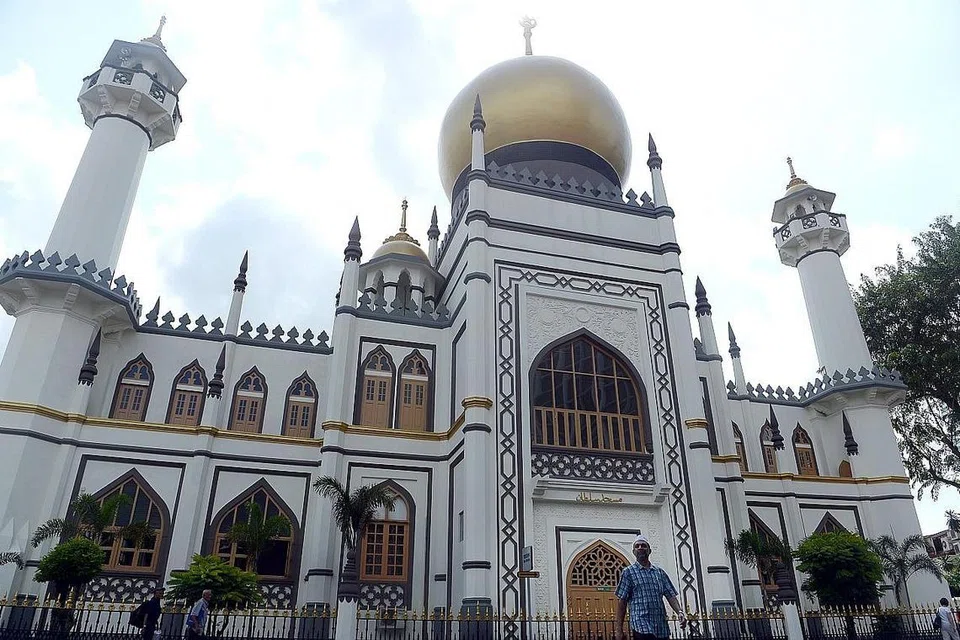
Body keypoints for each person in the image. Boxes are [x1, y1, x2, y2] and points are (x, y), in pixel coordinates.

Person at [615, 535, 686, 640]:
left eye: (643, 545)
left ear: (649, 550)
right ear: (634, 551)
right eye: (637, 546)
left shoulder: (660, 573)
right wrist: (619, 629)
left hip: (660, 625)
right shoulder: (628, 572)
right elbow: (622, 601)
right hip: (640, 624)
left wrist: (679, 611)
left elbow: (670, 595)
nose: (640, 548)